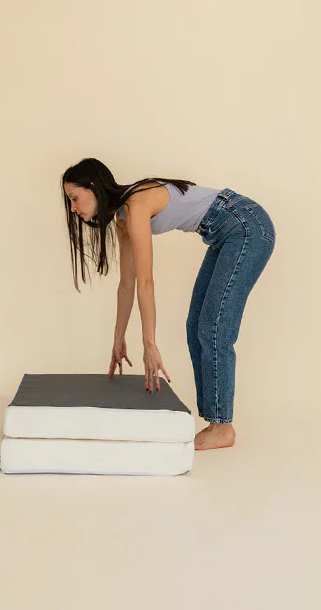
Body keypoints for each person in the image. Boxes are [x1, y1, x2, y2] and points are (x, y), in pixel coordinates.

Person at [62, 157, 276, 451]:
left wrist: (149, 344)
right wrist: (118, 338)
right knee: (196, 326)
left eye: (74, 198)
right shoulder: (123, 218)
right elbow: (127, 285)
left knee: (214, 328)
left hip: (246, 225)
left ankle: (222, 427)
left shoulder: (135, 205)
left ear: (93, 186)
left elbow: (146, 282)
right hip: (225, 235)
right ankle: (216, 422)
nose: (73, 208)